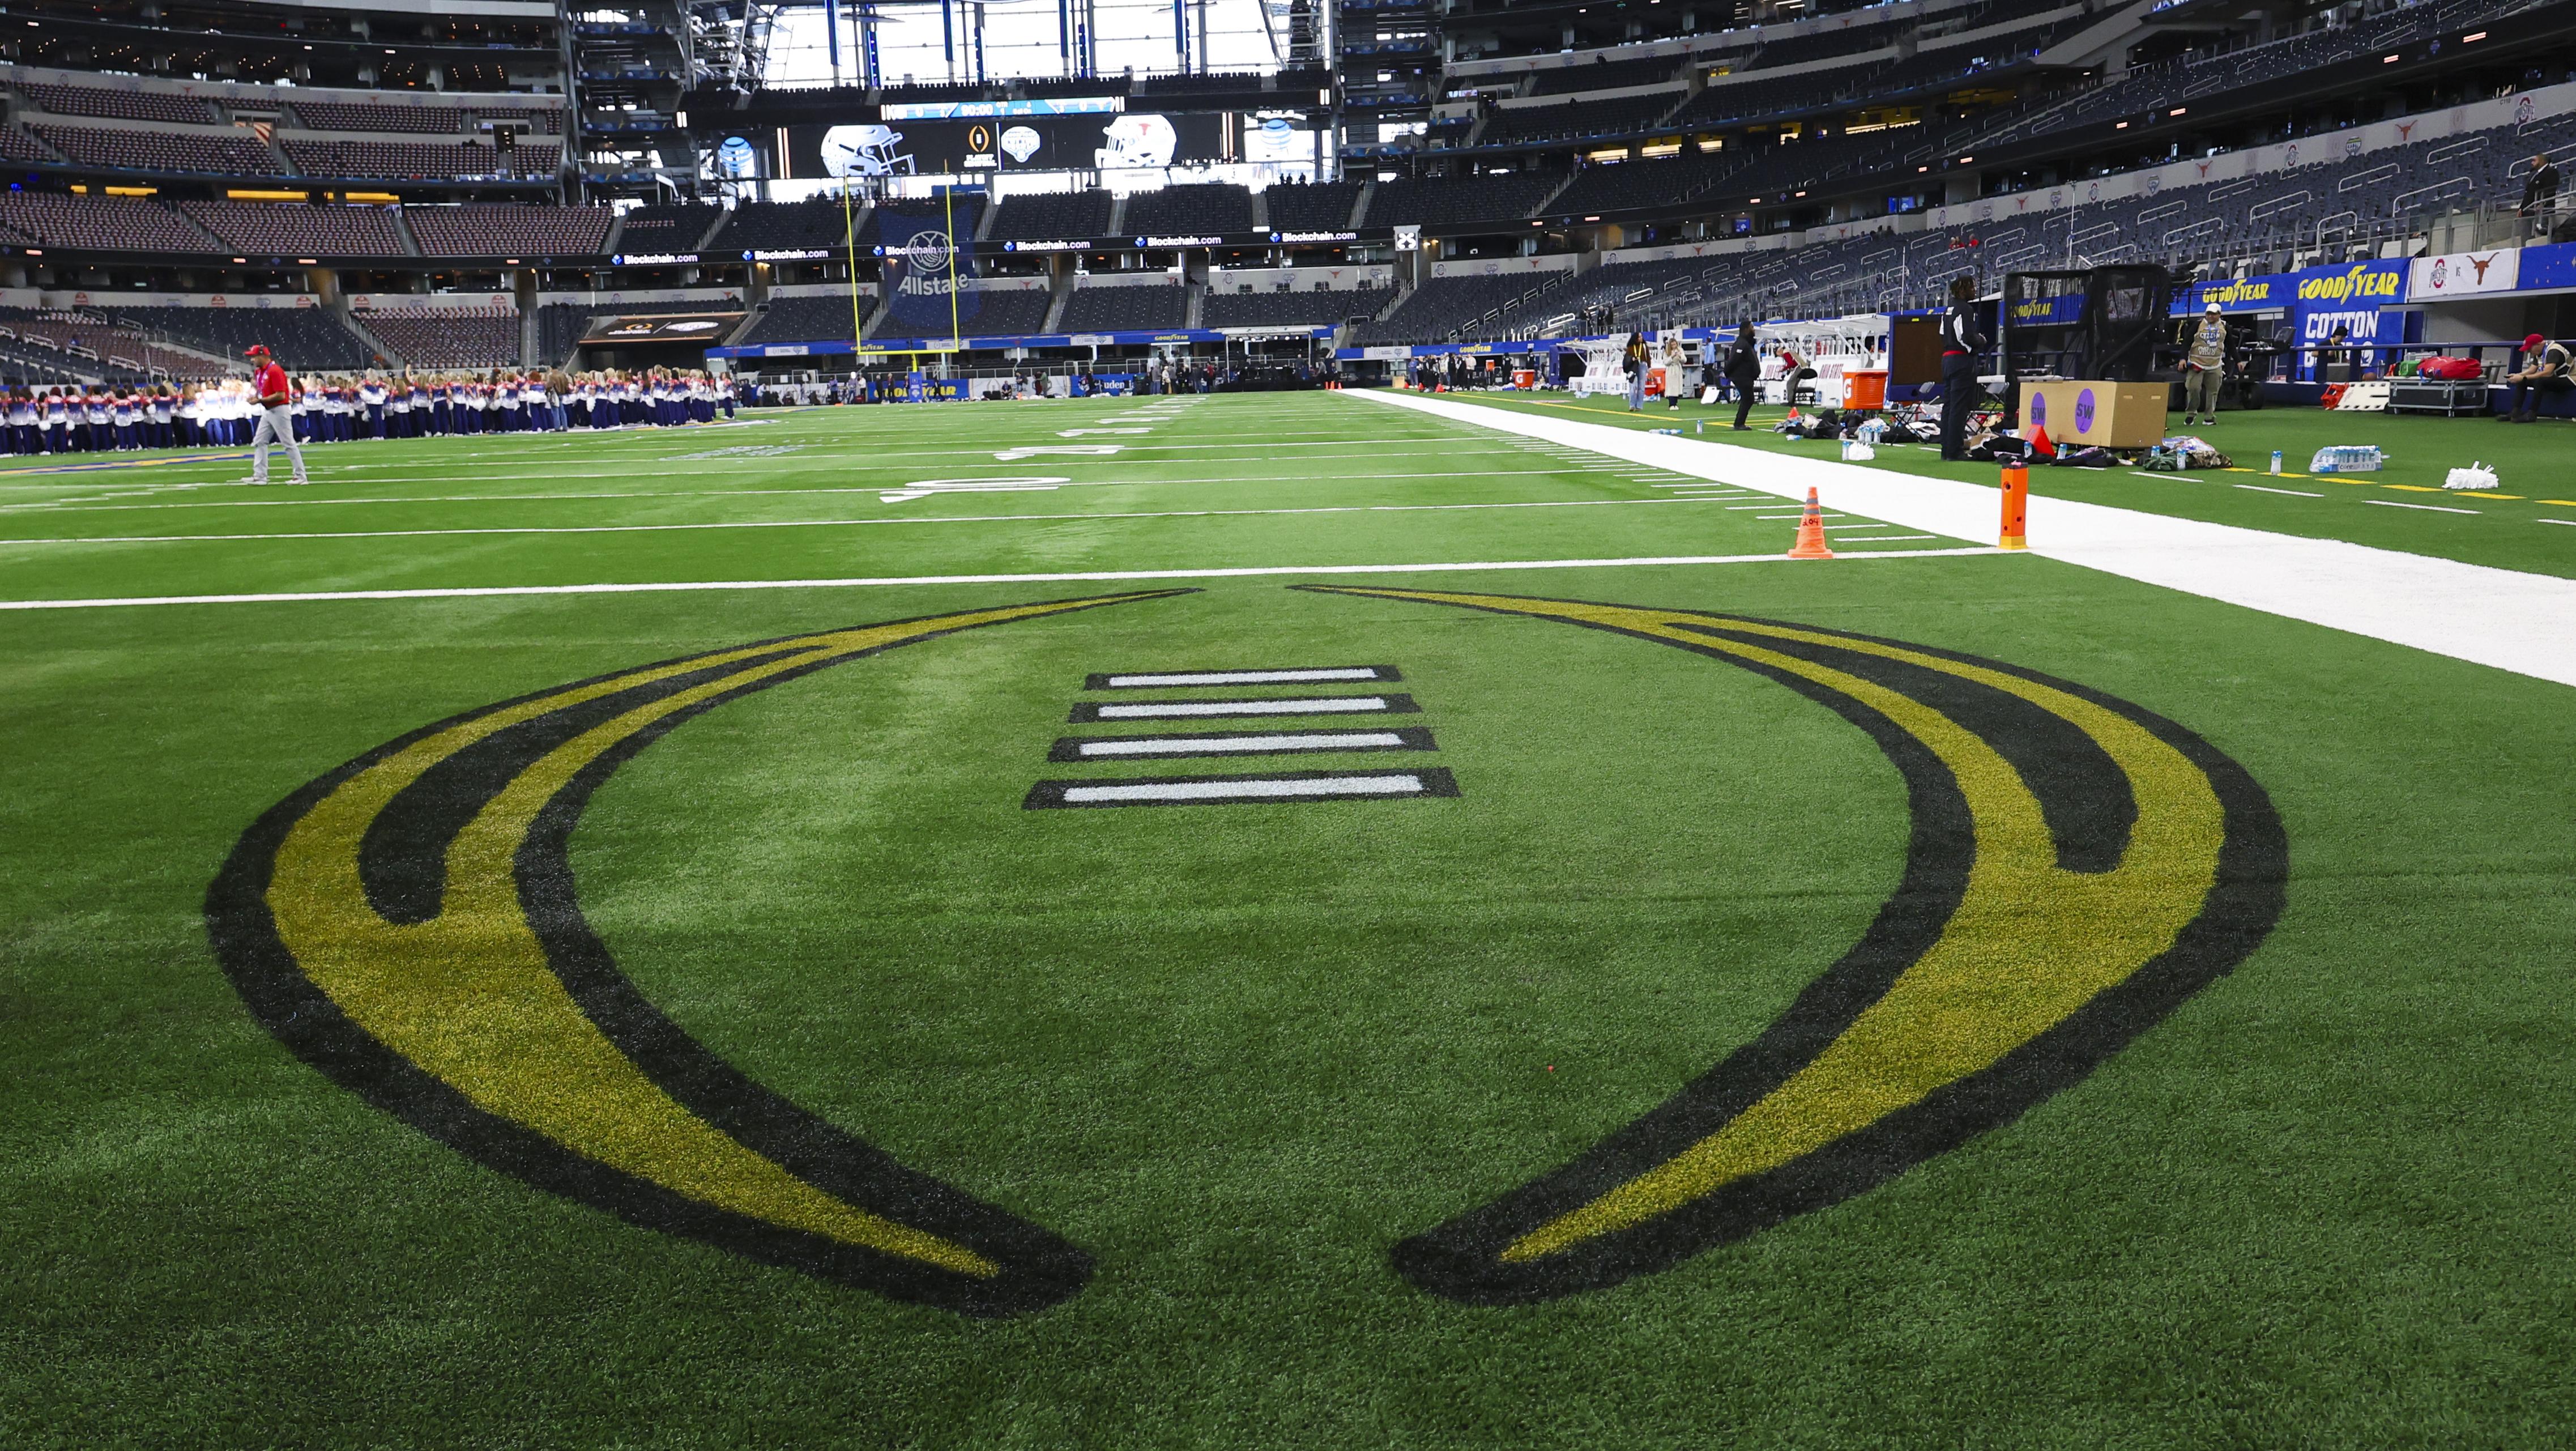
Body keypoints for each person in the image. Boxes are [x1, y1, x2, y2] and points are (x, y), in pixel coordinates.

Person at [242, 344, 308, 486]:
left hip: (279, 409)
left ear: (263, 356)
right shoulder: (261, 372)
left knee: (288, 443)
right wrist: (257, 398)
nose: (252, 360)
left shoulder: (275, 371)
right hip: (268, 409)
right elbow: (263, 391)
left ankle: (300, 475)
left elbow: (281, 395)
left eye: (254, 356)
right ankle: (260, 476)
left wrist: (259, 400)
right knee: (259, 440)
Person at [1938, 275, 1988, 461]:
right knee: (1959, 407)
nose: (1975, 290)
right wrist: (1980, 341)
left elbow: (1942, 335)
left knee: (1949, 406)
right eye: (1972, 287)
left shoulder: (1947, 310)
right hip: (1961, 361)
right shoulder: (1966, 309)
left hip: (1947, 360)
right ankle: (1955, 451)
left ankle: (1946, 449)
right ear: (1962, 289)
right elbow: (1967, 336)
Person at [2499, 333, 2570, 423]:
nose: (2529, 351)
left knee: (2539, 381)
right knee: (2523, 381)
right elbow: (2532, 370)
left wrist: (2523, 377)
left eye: (2530, 348)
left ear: (2539, 344)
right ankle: (2515, 412)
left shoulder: (2553, 351)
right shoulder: (2540, 352)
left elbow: (2547, 373)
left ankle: (2532, 414)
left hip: (2568, 379)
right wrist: (2518, 375)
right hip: (2554, 378)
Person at [2180, 300, 2229, 426]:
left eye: (2213, 314)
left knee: (2213, 391)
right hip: (2197, 363)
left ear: (2219, 314)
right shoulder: (2197, 325)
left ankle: (2209, 416)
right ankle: (2191, 413)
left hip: (2215, 364)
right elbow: (2187, 342)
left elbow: (2230, 345)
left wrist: (2238, 360)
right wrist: (2183, 359)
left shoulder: (2225, 326)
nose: (2210, 316)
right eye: (2208, 314)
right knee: (2193, 388)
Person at [1726, 322, 1762, 430]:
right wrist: (1727, 372)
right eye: (1752, 327)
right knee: (1748, 399)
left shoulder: (1746, 343)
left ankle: (1740, 423)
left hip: (1746, 377)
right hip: (1742, 377)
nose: (1754, 330)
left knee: (1748, 399)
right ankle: (1739, 424)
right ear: (1746, 330)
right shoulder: (1742, 344)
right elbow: (1734, 360)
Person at [2522, 153, 2560, 239]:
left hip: (2541, 209)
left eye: (2535, 161)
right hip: (2528, 209)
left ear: (2542, 161)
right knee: (2527, 235)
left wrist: (2543, 203)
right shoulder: (2534, 174)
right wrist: (2522, 208)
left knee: (2541, 234)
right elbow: (2528, 192)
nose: (2532, 163)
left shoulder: (2551, 172)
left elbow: (2550, 189)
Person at [1623, 332, 1647, 412]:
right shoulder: (1630, 347)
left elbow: (1648, 357)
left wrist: (1649, 367)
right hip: (1633, 367)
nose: (1641, 338)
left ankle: (1639, 406)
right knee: (1633, 387)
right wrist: (1632, 359)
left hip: (1643, 365)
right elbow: (1626, 359)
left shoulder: (1644, 346)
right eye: (1639, 337)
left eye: (1641, 336)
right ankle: (1632, 405)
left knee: (1641, 387)